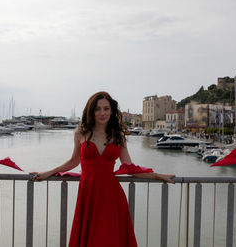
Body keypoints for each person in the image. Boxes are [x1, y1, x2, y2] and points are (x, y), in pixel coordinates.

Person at [30, 91, 175, 247]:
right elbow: (73, 161)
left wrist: (158, 175)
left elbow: (129, 168)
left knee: (108, 239)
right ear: (91, 111)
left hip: (111, 196)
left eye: (106, 108)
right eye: (98, 109)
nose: (102, 113)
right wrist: (48, 172)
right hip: (88, 194)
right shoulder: (81, 132)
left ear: (111, 110)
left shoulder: (118, 136)